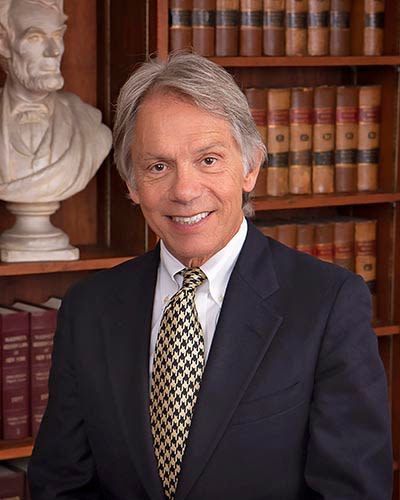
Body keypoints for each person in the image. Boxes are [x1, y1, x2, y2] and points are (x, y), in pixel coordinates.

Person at [28, 52, 393, 499]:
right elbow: (58, 483)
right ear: (131, 183)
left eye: (209, 160)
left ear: (251, 166)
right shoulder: (89, 307)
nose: (184, 191)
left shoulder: (328, 304)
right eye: (158, 166)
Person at [0, 0, 111, 202]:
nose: (54, 51)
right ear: (3, 43)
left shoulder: (90, 127)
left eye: (57, 36)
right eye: (35, 37)